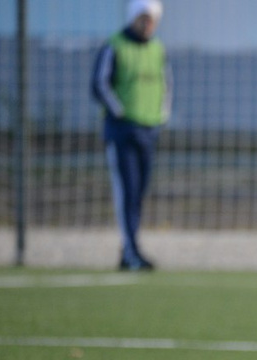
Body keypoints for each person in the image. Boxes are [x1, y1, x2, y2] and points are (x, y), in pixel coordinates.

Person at [91, 0, 171, 271]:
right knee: (126, 192)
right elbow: (99, 84)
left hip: (149, 130)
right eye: (144, 19)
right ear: (134, 18)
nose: (148, 24)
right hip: (123, 131)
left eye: (153, 20)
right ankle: (131, 251)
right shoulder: (115, 45)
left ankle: (132, 249)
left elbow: (166, 84)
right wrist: (120, 112)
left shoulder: (158, 49)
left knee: (138, 193)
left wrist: (161, 115)